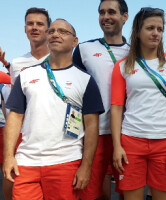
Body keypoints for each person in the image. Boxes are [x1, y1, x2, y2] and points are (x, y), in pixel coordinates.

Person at [2, 19, 104, 200]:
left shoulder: (86, 80)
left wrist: (86, 166)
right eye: (52, 31)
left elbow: (92, 127)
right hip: (26, 161)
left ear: (74, 41)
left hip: (66, 162)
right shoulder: (26, 75)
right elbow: (15, 117)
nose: (56, 34)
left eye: (63, 32)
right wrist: (9, 156)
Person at [110, 7, 166, 200]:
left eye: (159, 29)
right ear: (137, 31)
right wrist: (117, 146)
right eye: (150, 28)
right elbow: (116, 108)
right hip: (131, 141)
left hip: (164, 141)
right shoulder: (122, 66)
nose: (155, 33)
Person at [72, 0, 129, 199]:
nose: (106, 17)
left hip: (127, 133)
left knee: (128, 191)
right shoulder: (84, 49)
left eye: (111, 12)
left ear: (124, 16)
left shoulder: (136, 53)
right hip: (93, 132)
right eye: (102, 12)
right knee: (90, 192)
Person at [1, 7, 51, 86]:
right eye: (30, 23)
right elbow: (15, 97)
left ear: (48, 30)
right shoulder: (16, 64)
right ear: (25, 29)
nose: (34, 27)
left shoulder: (60, 60)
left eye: (40, 24)